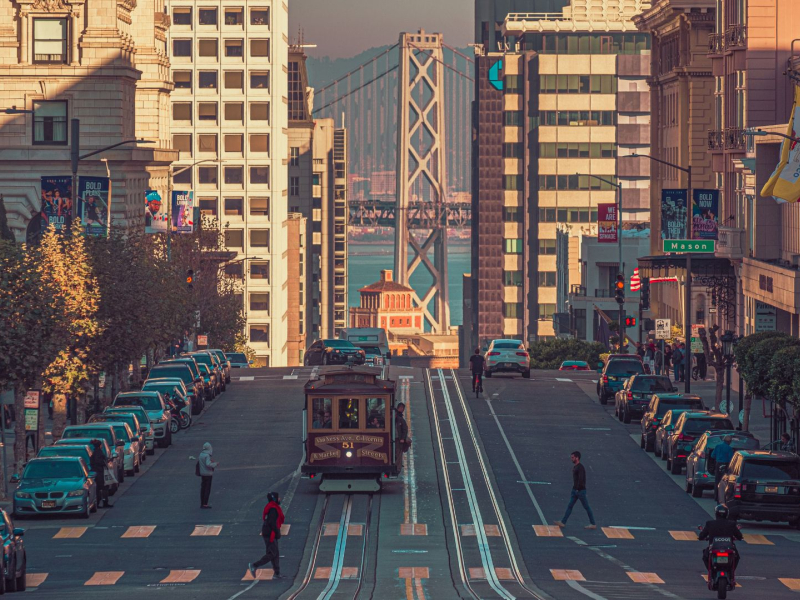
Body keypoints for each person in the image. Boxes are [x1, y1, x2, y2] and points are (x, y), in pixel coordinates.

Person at [554, 451, 596, 530]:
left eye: (573, 457)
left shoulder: (580, 467)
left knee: (586, 507)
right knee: (570, 506)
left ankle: (593, 523)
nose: (571, 459)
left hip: (580, 491)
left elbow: (581, 479)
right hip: (575, 491)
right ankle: (563, 522)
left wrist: (577, 489)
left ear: (577, 458)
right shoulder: (576, 467)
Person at [249, 491, 285, 579]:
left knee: (275, 553)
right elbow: (273, 523)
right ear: (274, 499)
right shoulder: (273, 509)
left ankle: (277, 573)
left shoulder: (272, 507)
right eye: (278, 497)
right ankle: (254, 565)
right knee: (272, 553)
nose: (279, 499)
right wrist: (277, 533)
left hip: (268, 532)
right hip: (270, 533)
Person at [699, 504, 743, 573]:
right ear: (726, 514)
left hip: (714, 548)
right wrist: (739, 537)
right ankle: (731, 572)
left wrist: (702, 537)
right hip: (728, 548)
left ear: (716, 513)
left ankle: (711, 572)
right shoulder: (731, 524)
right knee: (736, 557)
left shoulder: (710, 524)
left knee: (705, 557)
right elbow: (739, 536)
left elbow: (701, 536)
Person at [90, 439, 112, 508]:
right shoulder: (98, 453)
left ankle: (99, 502)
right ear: (99, 445)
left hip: (97, 472)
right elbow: (99, 462)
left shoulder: (94, 453)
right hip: (100, 473)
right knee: (103, 488)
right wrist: (105, 462)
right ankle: (104, 502)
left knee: (98, 488)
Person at [198, 442, 218, 508]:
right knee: (207, 488)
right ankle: (205, 503)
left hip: (202, 473)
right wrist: (215, 464)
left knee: (203, 488)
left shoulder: (201, 454)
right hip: (208, 473)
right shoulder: (207, 455)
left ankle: (202, 503)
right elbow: (208, 464)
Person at [395, 402, 409, 472]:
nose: (402, 409)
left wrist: (402, 438)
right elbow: (405, 429)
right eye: (402, 408)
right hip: (396, 438)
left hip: (398, 439)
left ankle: (398, 467)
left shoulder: (399, 418)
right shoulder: (399, 418)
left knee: (398, 453)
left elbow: (404, 429)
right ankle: (398, 467)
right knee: (398, 453)